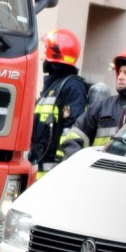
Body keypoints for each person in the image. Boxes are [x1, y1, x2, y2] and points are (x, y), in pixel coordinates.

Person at [58, 46, 126, 161]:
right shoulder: (102, 106)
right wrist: (75, 166)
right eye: (120, 72)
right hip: (98, 174)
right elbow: (74, 137)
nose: (120, 77)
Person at [28, 29, 88, 179]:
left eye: (45, 51)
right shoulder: (54, 87)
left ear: (54, 54)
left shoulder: (72, 86)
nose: (42, 57)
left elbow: (72, 130)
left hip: (53, 174)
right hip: (38, 168)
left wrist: (63, 169)